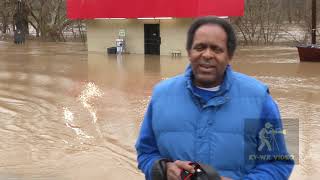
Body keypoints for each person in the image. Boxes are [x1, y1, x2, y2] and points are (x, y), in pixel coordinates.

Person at [135, 16, 294, 180]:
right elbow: (145, 152)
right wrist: (163, 169)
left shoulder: (262, 98)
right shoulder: (160, 95)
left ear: (229, 56)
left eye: (216, 49)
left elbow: (281, 163)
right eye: (200, 47)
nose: (207, 55)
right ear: (189, 52)